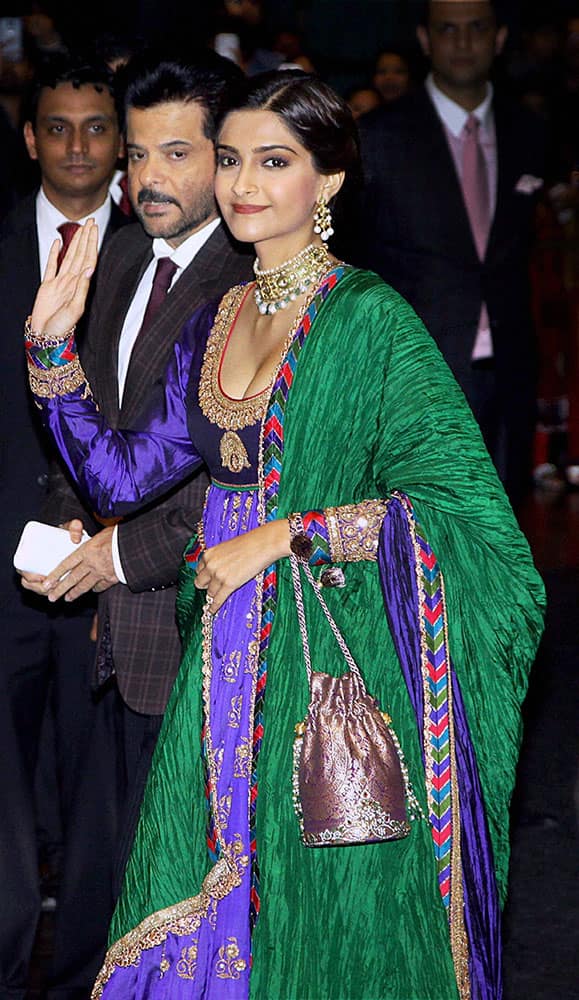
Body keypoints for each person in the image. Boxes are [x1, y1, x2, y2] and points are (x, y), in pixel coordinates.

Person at [25, 70, 545, 1000]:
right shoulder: (221, 314)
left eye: (275, 162)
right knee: (211, 880)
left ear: (329, 180)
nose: (241, 185)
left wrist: (283, 537)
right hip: (220, 650)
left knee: (318, 906)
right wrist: (54, 352)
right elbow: (122, 478)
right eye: (229, 160)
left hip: (326, 664)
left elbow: (467, 520)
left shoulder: (370, 321)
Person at [20, 46, 252, 929]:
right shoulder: (120, 254)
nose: (148, 177)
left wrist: (113, 556)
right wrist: (68, 526)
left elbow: (226, 481)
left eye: (178, 154)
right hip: (108, 637)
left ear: (225, 158)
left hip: (198, 632)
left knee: (182, 908)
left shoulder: (245, 288)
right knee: (101, 889)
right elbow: (87, 437)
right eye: (139, 154)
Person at [0, 51, 128, 999]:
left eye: (96, 126)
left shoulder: (158, 250)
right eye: (58, 126)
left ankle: (87, 979)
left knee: (100, 806)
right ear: (29, 134)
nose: (76, 145)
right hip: (0, 566)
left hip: (113, 572)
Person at [350, 0, 547, 511]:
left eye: (477, 28)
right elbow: (350, 254)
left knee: (506, 540)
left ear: (499, 38)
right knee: (422, 544)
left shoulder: (528, 130)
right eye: (448, 29)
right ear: (425, 37)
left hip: (510, 369)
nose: (463, 43)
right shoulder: (379, 137)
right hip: (416, 375)